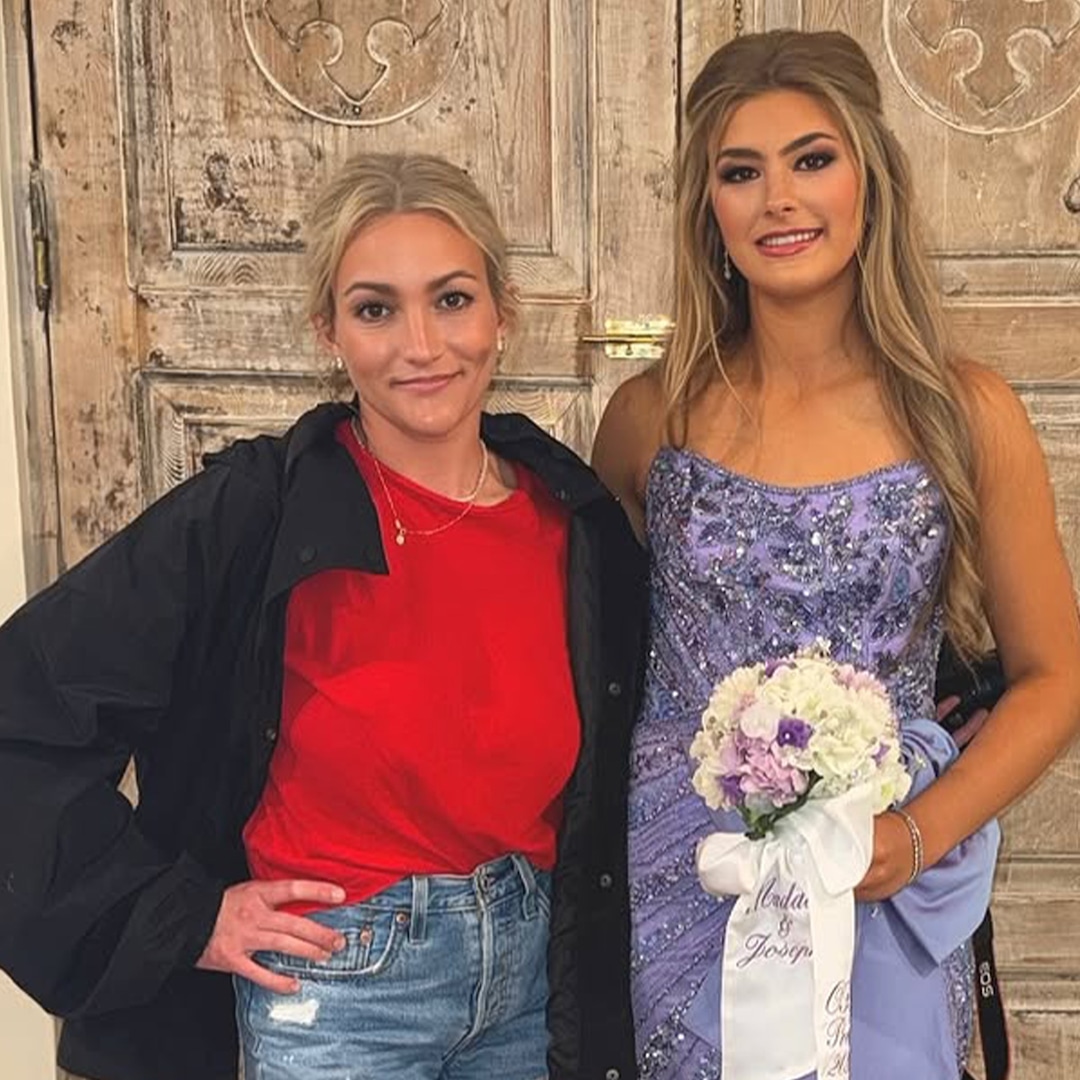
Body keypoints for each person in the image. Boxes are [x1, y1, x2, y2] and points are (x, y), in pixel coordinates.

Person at [0, 153, 647, 1080]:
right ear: (328, 331)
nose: (421, 344)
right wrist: (184, 917)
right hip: (341, 983)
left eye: (452, 299)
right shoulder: (261, 510)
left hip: (531, 975)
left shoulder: (573, 520)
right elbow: (27, 704)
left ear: (503, 313)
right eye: (375, 309)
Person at [592, 29, 1080, 1080]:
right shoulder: (649, 417)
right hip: (690, 869)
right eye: (741, 172)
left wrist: (914, 837)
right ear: (708, 209)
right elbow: (599, 656)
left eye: (811, 159)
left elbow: (1055, 678)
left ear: (870, 179)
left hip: (878, 858)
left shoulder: (965, 412)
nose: (779, 200)